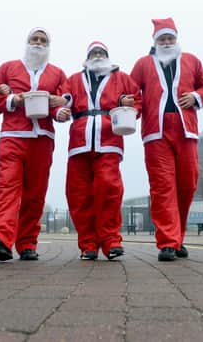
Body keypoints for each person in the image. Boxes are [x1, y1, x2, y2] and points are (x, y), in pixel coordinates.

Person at [0, 27, 67, 261]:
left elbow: (65, 99)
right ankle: (1, 239)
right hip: (13, 137)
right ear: (27, 42)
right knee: (8, 187)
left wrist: (60, 110)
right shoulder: (8, 68)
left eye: (43, 40)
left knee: (35, 194)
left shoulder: (57, 73)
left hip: (43, 139)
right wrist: (12, 99)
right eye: (34, 39)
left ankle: (27, 243)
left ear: (48, 45)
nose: (38, 43)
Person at [130, 18, 203, 261]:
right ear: (155, 41)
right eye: (162, 38)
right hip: (156, 131)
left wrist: (197, 96)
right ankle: (167, 242)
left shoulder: (191, 60)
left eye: (170, 38)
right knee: (163, 186)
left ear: (176, 39)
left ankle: (178, 238)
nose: (166, 42)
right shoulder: (143, 64)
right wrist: (128, 110)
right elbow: (132, 93)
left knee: (187, 184)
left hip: (186, 128)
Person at [57, 41, 141, 260]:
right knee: (79, 195)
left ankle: (111, 241)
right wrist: (60, 111)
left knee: (109, 189)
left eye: (101, 52)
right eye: (93, 53)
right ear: (87, 57)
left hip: (109, 139)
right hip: (79, 142)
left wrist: (128, 104)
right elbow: (62, 99)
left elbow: (137, 100)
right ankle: (88, 245)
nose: (97, 55)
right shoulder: (74, 80)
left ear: (107, 56)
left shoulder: (122, 78)